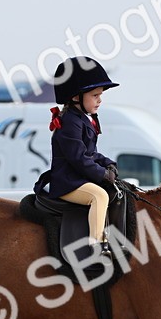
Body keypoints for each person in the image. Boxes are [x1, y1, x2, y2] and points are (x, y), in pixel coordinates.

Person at [39, 57, 120, 256]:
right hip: (68, 182)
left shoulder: (82, 120)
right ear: (76, 96)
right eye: (95, 95)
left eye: (100, 95)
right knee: (98, 196)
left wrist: (108, 164)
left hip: (78, 178)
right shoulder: (69, 122)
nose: (100, 100)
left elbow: (91, 153)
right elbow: (79, 158)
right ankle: (95, 246)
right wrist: (101, 174)